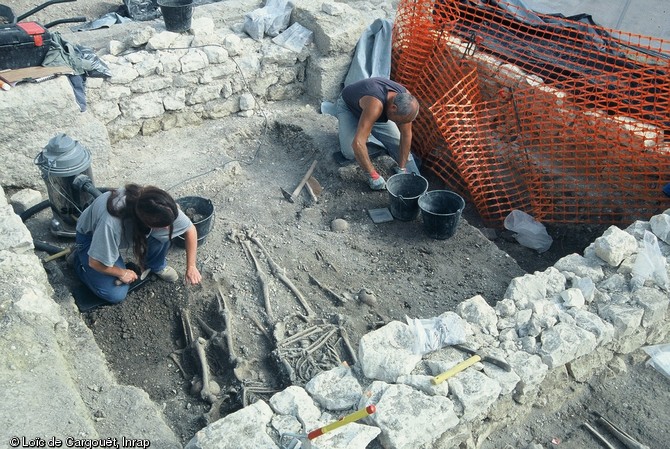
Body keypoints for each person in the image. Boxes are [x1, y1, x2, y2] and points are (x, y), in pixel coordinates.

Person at [71, 183, 202, 304]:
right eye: (163, 226)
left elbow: (190, 230)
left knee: (164, 235)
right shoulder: (111, 224)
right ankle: (77, 259)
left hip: (126, 232)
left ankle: (156, 266)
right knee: (115, 294)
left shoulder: (160, 205)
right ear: (146, 221)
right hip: (92, 237)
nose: (169, 227)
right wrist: (122, 273)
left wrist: (191, 266)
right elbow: (95, 263)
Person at [336, 77, 421, 190]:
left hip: (375, 115)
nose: (399, 124)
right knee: (350, 152)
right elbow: (358, 143)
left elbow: (406, 135)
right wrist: (373, 175)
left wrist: (402, 167)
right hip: (350, 108)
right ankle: (365, 131)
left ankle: (415, 178)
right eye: (398, 121)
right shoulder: (375, 105)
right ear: (393, 108)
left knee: (397, 144)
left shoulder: (407, 102)